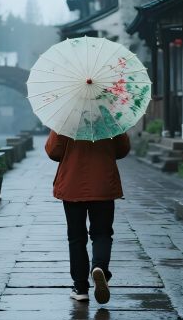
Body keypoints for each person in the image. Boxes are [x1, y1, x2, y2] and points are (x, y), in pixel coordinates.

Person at [45, 130, 131, 304]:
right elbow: (122, 149)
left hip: (73, 184)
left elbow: (53, 151)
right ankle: (99, 267)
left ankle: (80, 288)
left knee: (76, 237)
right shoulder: (109, 119)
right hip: (103, 183)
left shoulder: (66, 120)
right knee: (102, 233)